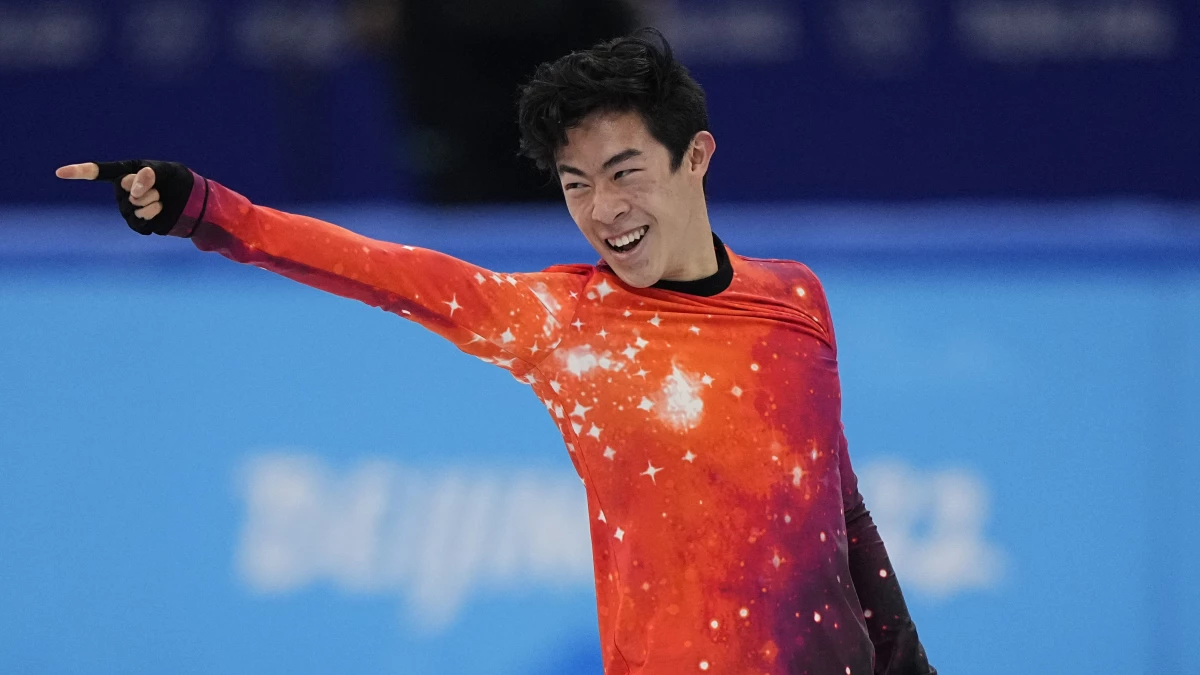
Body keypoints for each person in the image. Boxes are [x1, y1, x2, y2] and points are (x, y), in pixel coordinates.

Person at [57, 28, 935, 675]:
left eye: (625, 170)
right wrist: (206, 210)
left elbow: (842, 513)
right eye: (575, 183)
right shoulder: (558, 319)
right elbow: (385, 272)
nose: (604, 208)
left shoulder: (795, 301)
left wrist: (911, 665)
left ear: (695, 156)